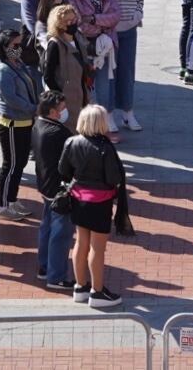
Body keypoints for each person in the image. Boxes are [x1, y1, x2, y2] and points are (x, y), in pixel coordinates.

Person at [59, 104, 127, 307]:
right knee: (97, 248)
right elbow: (113, 177)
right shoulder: (105, 147)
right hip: (100, 202)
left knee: (81, 242)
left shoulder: (71, 142)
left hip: (78, 199)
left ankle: (80, 286)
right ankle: (97, 292)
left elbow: (63, 170)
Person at [0, 28, 40, 222]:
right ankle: (2, 206)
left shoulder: (17, 63)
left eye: (20, 44)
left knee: (19, 163)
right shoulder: (2, 70)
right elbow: (11, 99)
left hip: (23, 122)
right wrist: (33, 108)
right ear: (4, 47)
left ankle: (11, 200)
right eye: (15, 45)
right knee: (10, 165)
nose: (19, 48)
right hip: (11, 123)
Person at [31, 90, 75, 289]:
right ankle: (56, 276)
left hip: (45, 186)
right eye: (62, 109)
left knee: (47, 227)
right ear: (52, 112)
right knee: (61, 233)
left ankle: (44, 267)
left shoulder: (38, 126)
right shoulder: (60, 133)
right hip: (60, 190)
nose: (65, 111)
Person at [68, 0, 120, 122]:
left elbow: (116, 16)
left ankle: (105, 122)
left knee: (105, 88)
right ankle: (86, 122)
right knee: (86, 87)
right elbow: (79, 24)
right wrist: (102, 23)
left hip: (106, 48)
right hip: (85, 48)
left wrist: (93, 19)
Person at [104, 0, 145, 133]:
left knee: (127, 73)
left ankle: (128, 113)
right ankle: (109, 114)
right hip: (110, 33)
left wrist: (138, 14)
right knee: (110, 74)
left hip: (129, 31)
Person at [43, 3, 91, 122]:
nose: (73, 23)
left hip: (81, 95)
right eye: (68, 21)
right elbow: (48, 76)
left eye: (74, 19)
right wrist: (60, 98)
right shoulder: (55, 44)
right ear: (59, 24)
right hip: (65, 101)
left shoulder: (76, 39)